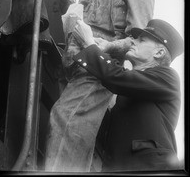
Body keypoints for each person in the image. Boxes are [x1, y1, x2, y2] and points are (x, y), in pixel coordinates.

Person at [45, 0, 155, 172]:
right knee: (73, 128)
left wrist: (105, 45)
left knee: (66, 119)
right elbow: (76, 16)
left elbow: (138, 42)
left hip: (97, 70)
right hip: (77, 65)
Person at [72, 18, 184, 172]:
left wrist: (89, 44)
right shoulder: (133, 87)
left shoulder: (168, 77)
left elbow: (116, 76)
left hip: (152, 167)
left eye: (141, 40)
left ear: (159, 52)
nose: (133, 42)